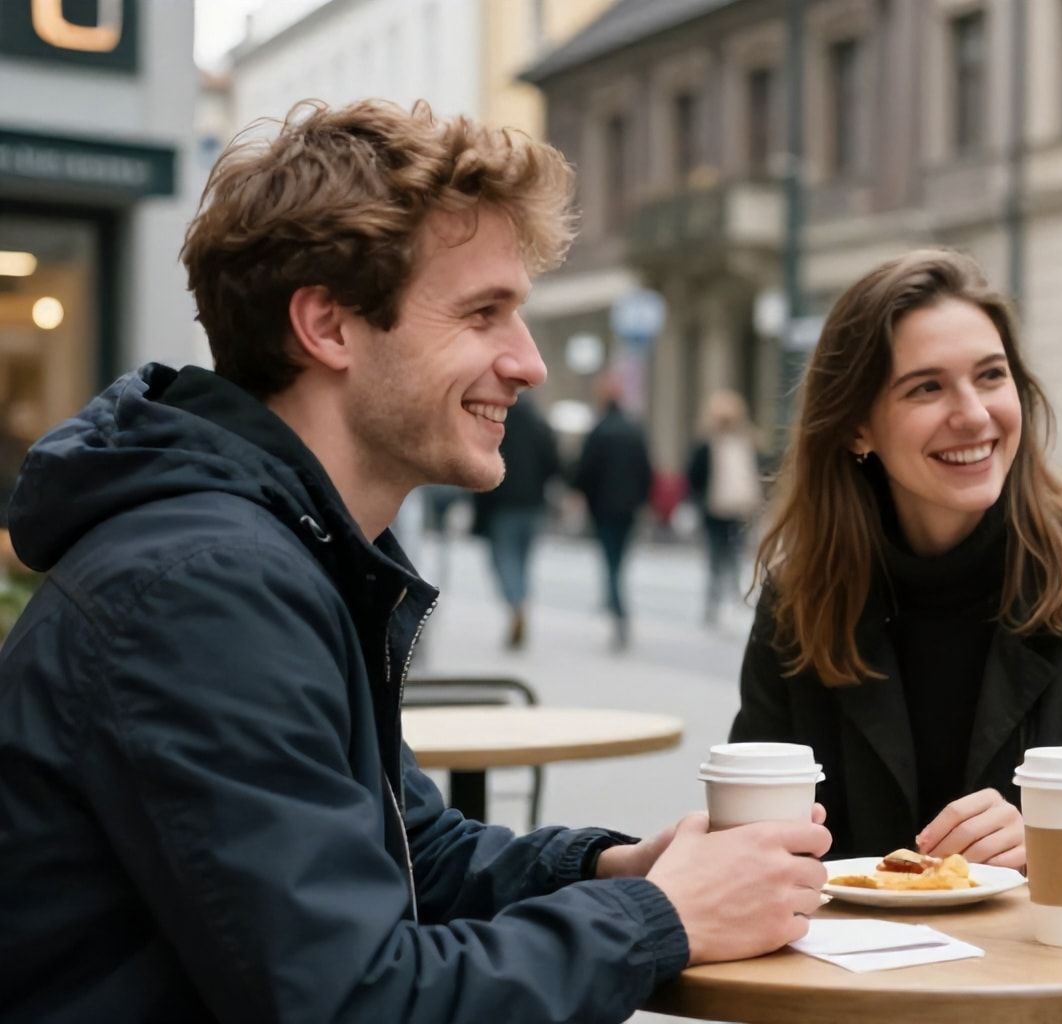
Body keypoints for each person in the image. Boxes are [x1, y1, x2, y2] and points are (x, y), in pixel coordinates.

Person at [0, 100, 829, 1024]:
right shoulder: (205, 586)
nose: (529, 363)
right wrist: (662, 915)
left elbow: (409, 853)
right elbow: (353, 1000)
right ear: (329, 326)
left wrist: (609, 866)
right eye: (483, 314)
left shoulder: (282, 548)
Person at [730, 249, 1062, 864]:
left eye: (991, 376)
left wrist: (1054, 840)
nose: (973, 415)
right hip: (851, 959)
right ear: (857, 428)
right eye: (926, 388)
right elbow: (749, 840)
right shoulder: (802, 599)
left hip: (1061, 956)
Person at [469, 392, 558, 648]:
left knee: (503, 560)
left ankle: (515, 604)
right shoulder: (539, 424)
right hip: (533, 505)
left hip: (503, 505)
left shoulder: (497, 426)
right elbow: (553, 463)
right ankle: (520, 604)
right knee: (523, 561)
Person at [573, 373, 652, 650]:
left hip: (604, 508)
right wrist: (641, 500)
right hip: (628, 508)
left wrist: (586, 498)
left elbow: (585, 471)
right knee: (619, 560)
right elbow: (646, 470)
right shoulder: (633, 430)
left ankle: (617, 609)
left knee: (610, 563)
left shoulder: (599, 430)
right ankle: (613, 602)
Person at [686, 389, 763, 625]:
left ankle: (722, 597)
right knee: (725, 555)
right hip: (726, 510)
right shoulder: (740, 443)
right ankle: (723, 598)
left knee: (724, 556)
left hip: (727, 509)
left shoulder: (734, 443)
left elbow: (694, 477)